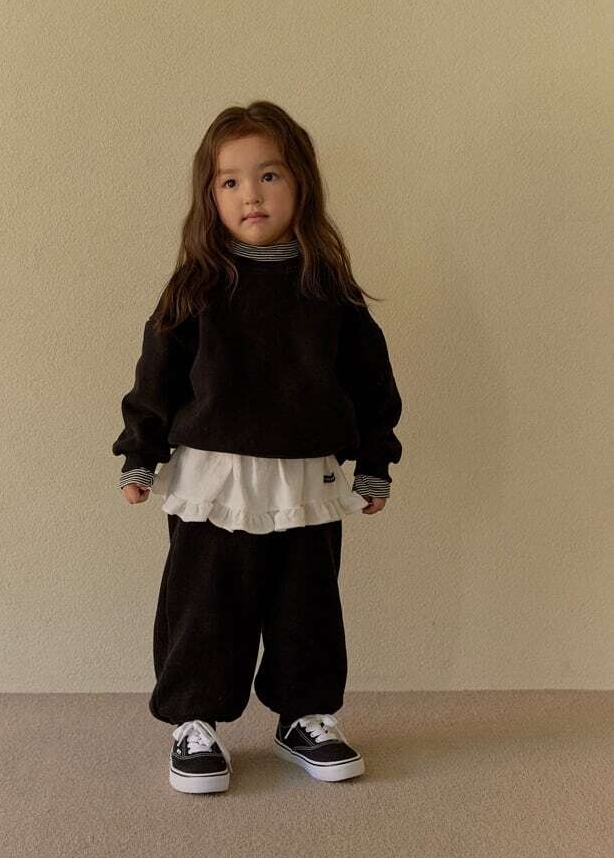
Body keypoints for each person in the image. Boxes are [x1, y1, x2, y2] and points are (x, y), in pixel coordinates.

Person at [112, 100, 403, 794]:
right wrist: (139, 450)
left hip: (306, 480)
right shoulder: (196, 288)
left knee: (307, 606)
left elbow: (371, 385)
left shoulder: (328, 290)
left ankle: (303, 716)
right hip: (213, 480)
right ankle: (195, 721)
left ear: (301, 184)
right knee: (205, 604)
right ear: (209, 195)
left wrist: (375, 462)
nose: (251, 194)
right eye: (231, 180)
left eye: (269, 175)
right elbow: (156, 376)